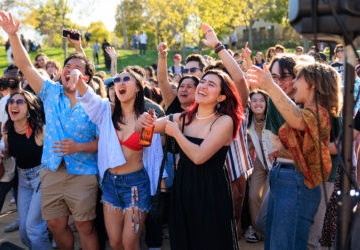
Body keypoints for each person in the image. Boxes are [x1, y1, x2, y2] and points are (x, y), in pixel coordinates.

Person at [0, 11, 100, 250]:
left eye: (76, 67)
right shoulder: (51, 91)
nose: (69, 69)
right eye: (67, 65)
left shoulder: (94, 104)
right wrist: (13, 36)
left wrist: (78, 147)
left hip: (83, 171)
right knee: (54, 224)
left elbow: (102, 142)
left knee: (85, 227)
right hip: (51, 170)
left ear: (85, 77)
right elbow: (26, 65)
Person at [137, 68, 243, 250]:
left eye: (211, 85)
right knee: (184, 239)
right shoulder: (182, 118)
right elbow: (145, 131)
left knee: (210, 241)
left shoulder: (224, 121)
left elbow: (199, 156)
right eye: (203, 82)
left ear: (221, 97)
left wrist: (177, 134)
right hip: (184, 187)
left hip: (211, 191)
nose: (203, 86)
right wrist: (142, 122)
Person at [247, 61, 342, 250]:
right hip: (283, 174)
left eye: (297, 78)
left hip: (301, 179)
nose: (293, 83)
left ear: (312, 84)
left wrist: (270, 86)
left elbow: (299, 122)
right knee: (276, 237)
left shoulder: (321, 112)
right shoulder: (301, 108)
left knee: (295, 242)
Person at [72, 69, 151, 250]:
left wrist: (144, 128)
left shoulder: (146, 118)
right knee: (115, 243)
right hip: (110, 186)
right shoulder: (106, 112)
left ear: (138, 87)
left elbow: (157, 147)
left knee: (129, 243)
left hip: (135, 189)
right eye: (117, 80)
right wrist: (77, 78)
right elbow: (89, 98)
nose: (120, 83)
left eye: (126, 79)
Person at [0, 90, 50, 249]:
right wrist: (3, 154)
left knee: (34, 228)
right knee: (24, 232)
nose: (14, 104)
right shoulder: (8, 127)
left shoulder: (40, 129)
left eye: (20, 102)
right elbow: (10, 151)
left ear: (29, 108)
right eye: (11, 102)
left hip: (41, 177)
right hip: (23, 179)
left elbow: (53, 156)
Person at [246, 90, 274, 243]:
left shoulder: (273, 118)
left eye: (261, 100)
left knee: (266, 198)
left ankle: (268, 230)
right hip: (260, 162)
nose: (257, 103)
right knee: (253, 195)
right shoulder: (248, 121)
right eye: (254, 100)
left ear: (267, 102)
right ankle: (257, 231)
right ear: (249, 105)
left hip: (275, 163)